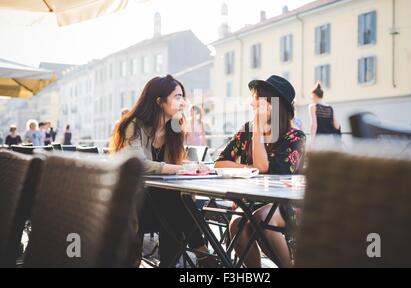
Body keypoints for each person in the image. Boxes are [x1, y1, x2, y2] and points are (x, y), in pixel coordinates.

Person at [111, 75, 214, 267]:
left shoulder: (172, 131)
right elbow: (138, 164)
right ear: (159, 101)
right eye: (177, 97)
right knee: (174, 202)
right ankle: (204, 256)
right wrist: (184, 169)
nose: (183, 102)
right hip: (128, 207)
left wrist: (190, 170)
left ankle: (194, 259)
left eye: (183, 97)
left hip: (158, 206)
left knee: (175, 200)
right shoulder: (133, 125)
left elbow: (172, 168)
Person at [215, 75, 306, 268]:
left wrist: (257, 131)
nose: (251, 103)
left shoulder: (294, 137)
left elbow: (267, 171)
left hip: (286, 203)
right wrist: (250, 169)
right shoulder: (246, 130)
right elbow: (221, 162)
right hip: (251, 200)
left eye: (257, 99)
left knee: (260, 219)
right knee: (237, 225)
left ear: (273, 105)